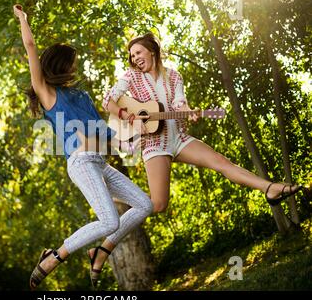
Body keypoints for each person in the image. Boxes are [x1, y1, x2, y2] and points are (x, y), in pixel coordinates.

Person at [13, 5, 153, 290]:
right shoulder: (48, 93)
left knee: (144, 204)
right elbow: (30, 46)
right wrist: (22, 20)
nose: (74, 68)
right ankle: (54, 256)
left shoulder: (82, 95)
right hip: (80, 163)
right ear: (60, 65)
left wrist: (126, 142)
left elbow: (101, 131)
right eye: (71, 63)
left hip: (100, 163)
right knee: (109, 221)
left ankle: (101, 250)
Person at [102, 32, 303, 216]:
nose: (135, 58)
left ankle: (270, 188)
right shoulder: (131, 77)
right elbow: (107, 101)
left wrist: (188, 112)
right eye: (132, 55)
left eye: (138, 52)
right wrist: (131, 118)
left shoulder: (174, 76)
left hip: (179, 138)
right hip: (154, 143)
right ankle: (109, 232)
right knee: (158, 205)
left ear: (152, 51)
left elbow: (180, 103)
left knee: (222, 163)